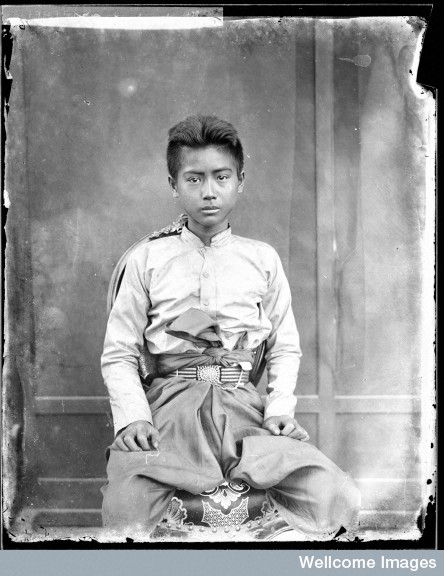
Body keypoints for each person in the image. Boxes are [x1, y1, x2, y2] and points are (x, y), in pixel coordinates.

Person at [100, 114, 360, 539]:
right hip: (169, 408)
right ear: (173, 185)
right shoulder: (146, 260)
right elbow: (119, 352)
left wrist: (278, 412)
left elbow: (283, 347)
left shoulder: (262, 259)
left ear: (241, 180)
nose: (209, 192)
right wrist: (133, 419)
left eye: (221, 177)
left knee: (333, 494)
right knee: (126, 507)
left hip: (243, 408)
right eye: (194, 179)